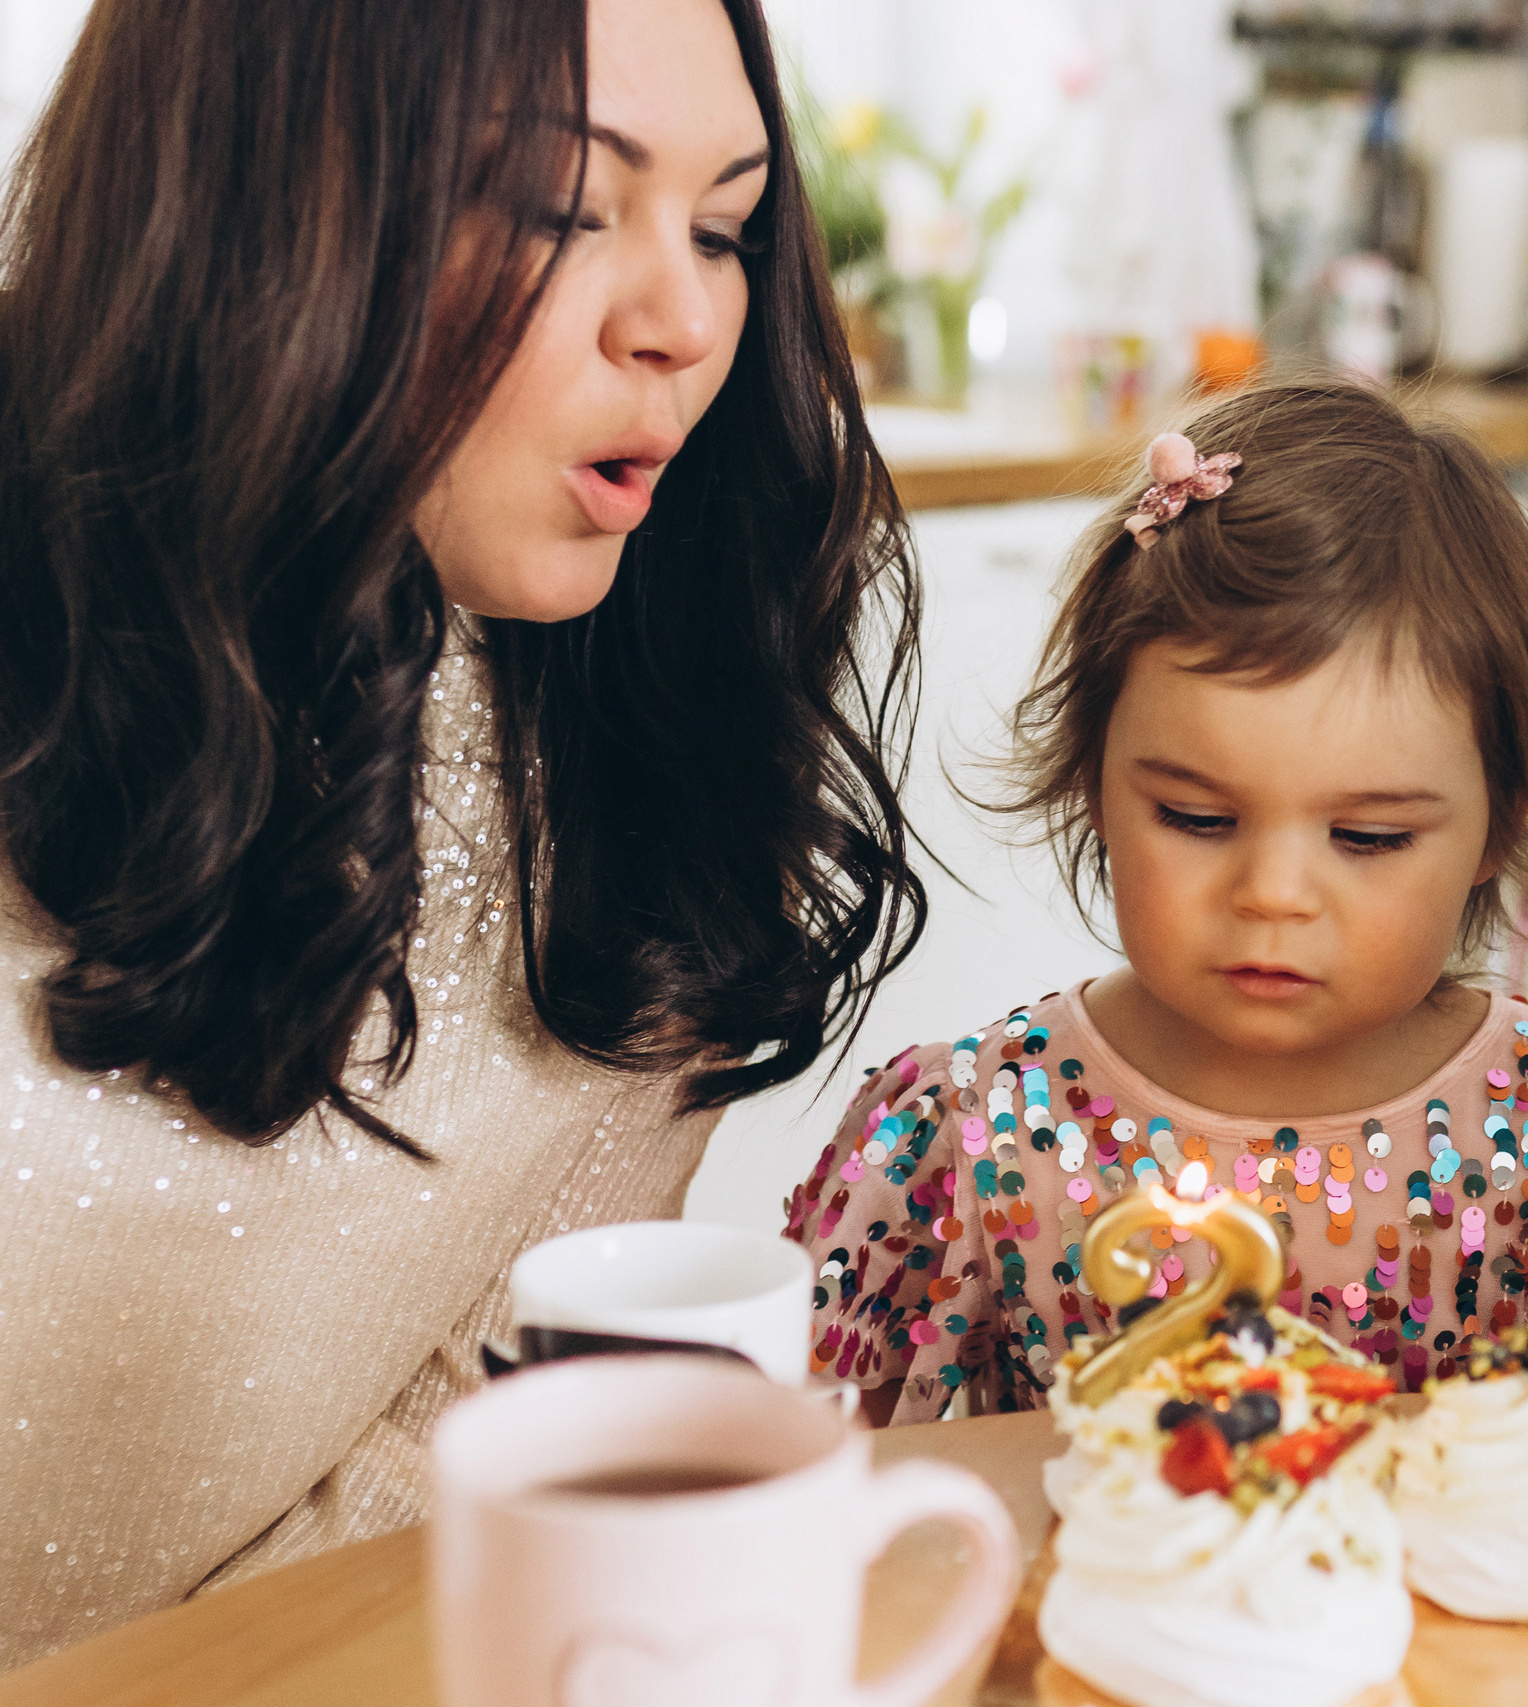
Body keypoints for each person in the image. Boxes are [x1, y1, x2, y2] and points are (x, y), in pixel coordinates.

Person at [0, 0, 923, 1664]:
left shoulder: (649, 767)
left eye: (725, 227)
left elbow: (434, 1484)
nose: (685, 321)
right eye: (568, 205)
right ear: (265, 192)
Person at [786, 382, 1528, 1430]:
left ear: (1498, 826)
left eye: (1366, 838)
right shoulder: (967, 1136)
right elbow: (820, 1469)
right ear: (1093, 782)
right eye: (1196, 817)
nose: (1272, 896)